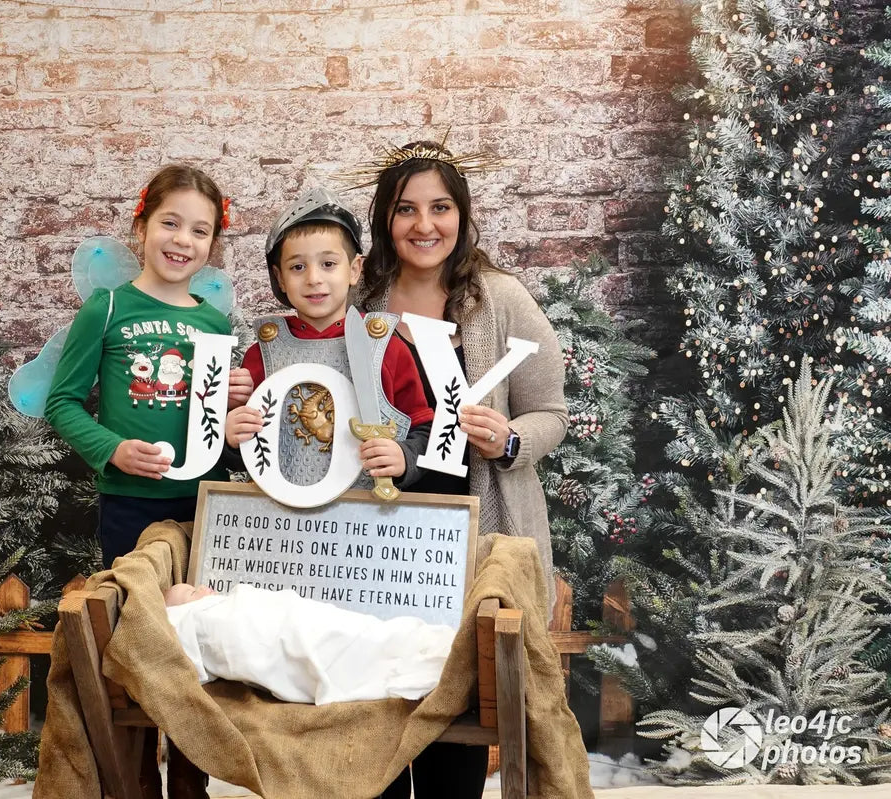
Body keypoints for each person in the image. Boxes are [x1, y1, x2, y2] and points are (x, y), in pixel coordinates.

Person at [357, 140, 569, 799]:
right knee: (379, 713)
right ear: (386, 221)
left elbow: (552, 413)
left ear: (462, 214)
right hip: (383, 543)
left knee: (461, 718)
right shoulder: (360, 301)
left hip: (476, 540)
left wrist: (507, 438)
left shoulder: (500, 299)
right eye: (407, 209)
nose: (425, 224)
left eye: (440, 207)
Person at [44, 163, 245, 799]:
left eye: (200, 230)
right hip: (131, 508)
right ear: (141, 226)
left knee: (196, 650)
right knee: (136, 648)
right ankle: (135, 783)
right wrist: (113, 449)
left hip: (202, 509)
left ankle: (192, 784)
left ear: (213, 244)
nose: (182, 240)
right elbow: (64, 403)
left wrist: (241, 414)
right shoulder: (106, 309)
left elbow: (216, 419)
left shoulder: (215, 324)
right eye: (170, 222)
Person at [223, 186, 433, 490]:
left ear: (354, 269)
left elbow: (423, 429)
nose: (313, 279)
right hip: (281, 519)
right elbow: (250, 452)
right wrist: (231, 439)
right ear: (280, 277)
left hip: (366, 520)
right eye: (297, 267)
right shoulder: (262, 354)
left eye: (328, 264)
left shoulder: (384, 348)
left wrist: (404, 457)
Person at [164, 583, 456, 705]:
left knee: (344, 626)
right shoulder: (203, 621)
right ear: (184, 612)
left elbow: (283, 610)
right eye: (192, 593)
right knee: (340, 642)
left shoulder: (237, 601)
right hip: (281, 635)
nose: (203, 587)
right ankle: (412, 649)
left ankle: (407, 643)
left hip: (293, 618)